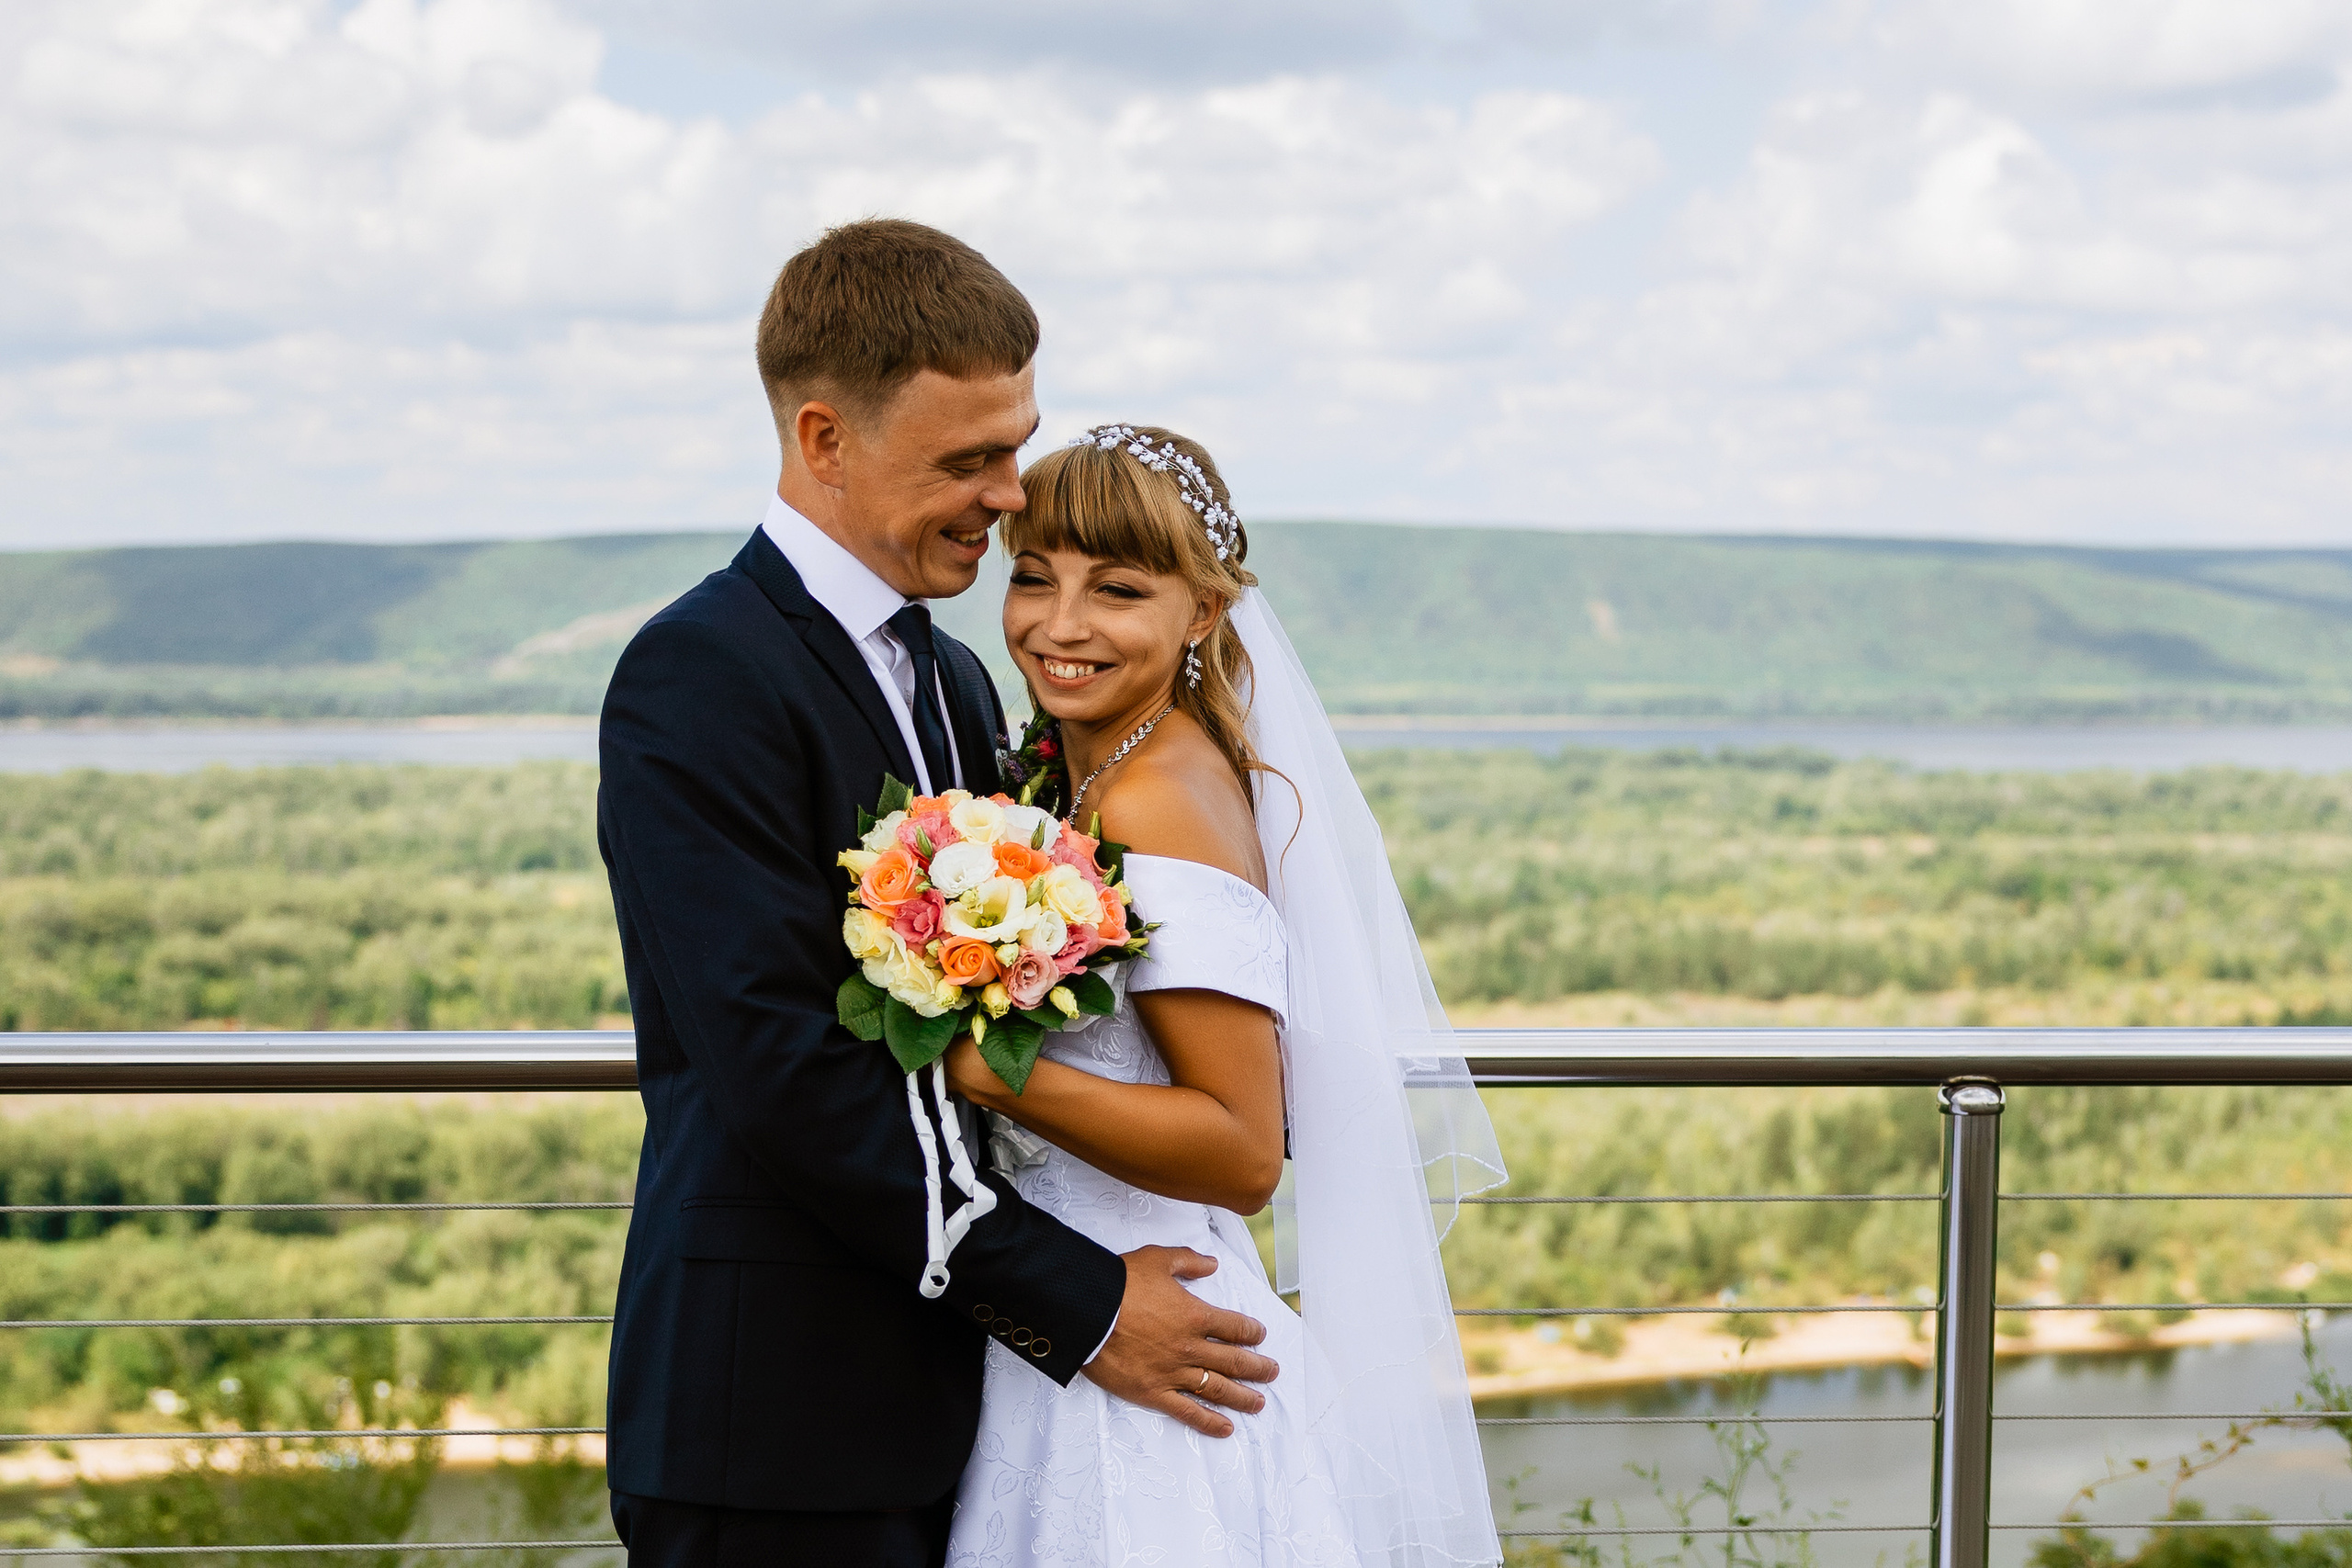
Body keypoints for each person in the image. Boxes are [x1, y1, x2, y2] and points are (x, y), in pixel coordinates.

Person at [596, 223, 1280, 1568]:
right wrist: (1082, 1303)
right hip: (783, 1412)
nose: (1010, 494)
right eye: (967, 460)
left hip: (973, 1398)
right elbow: (786, 1068)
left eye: (1012, 446)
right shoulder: (701, 673)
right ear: (824, 439)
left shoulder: (961, 681)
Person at [941, 425, 1507, 1567]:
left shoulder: (1161, 797)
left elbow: (1243, 1148)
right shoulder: (1080, 765)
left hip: (1142, 1345)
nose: (1059, 624)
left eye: (1117, 589)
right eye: (1034, 577)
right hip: (1064, 1316)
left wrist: (967, 1064)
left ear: (1201, 612)